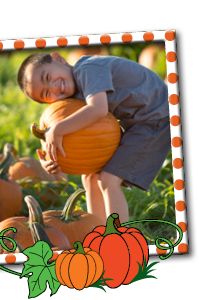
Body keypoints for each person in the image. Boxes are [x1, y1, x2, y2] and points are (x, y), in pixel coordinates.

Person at [17, 52, 170, 220]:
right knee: (90, 176)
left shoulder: (88, 70)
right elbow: (56, 122)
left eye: (48, 77)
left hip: (156, 115)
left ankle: (120, 240)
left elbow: (98, 109)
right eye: (46, 94)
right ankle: (96, 232)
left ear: (58, 59)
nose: (53, 88)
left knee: (108, 180)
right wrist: (49, 156)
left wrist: (58, 129)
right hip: (137, 122)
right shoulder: (71, 93)